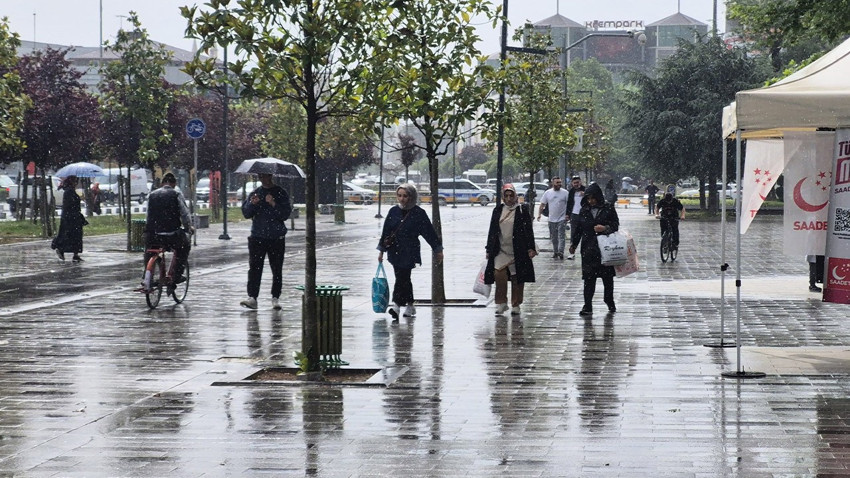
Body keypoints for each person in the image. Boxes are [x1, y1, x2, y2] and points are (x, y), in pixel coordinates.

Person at [378, 183, 444, 321]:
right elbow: (386, 232)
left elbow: (429, 233)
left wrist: (437, 249)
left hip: (410, 250)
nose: (402, 199)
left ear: (411, 197)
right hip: (395, 250)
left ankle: (396, 305)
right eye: (399, 196)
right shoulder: (393, 212)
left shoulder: (418, 213)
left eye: (405, 196)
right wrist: (381, 251)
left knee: (402, 276)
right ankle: (410, 304)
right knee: (402, 277)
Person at [240, 173, 292, 310]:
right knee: (255, 268)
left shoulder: (280, 193)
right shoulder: (255, 194)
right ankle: (252, 297)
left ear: (271, 176)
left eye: (266, 176)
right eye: (261, 177)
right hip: (257, 237)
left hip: (276, 238)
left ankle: (275, 297)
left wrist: (273, 203)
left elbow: (285, 214)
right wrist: (252, 204)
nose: (263, 179)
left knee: (276, 268)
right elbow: (246, 213)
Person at [484, 184, 538, 316]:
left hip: (518, 249)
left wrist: (530, 247)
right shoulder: (498, 210)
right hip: (501, 250)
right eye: (506, 196)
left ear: (515, 196)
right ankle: (501, 303)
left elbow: (528, 230)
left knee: (516, 277)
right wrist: (489, 248)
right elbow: (492, 230)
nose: (509, 198)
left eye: (511, 195)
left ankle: (516, 304)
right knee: (498, 274)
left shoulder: (522, 210)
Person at [568, 183, 620, 316]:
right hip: (589, 249)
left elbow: (615, 225)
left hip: (605, 249)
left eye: (593, 198)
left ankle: (609, 301)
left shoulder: (608, 208)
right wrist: (574, 244)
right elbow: (579, 229)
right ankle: (588, 305)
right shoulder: (584, 210)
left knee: (607, 278)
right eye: (588, 198)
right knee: (588, 278)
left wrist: (605, 228)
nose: (591, 201)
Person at [144, 172, 194, 288]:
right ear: (174, 183)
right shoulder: (176, 194)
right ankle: (176, 275)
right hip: (172, 235)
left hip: (154, 235)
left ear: (162, 183)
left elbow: (148, 216)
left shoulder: (152, 195)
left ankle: (147, 276)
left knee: (149, 251)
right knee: (184, 247)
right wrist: (188, 228)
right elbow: (185, 215)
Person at [51, 175, 86, 262]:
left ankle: (75, 254)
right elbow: (69, 205)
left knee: (76, 236)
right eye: (75, 182)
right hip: (70, 218)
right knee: (68, 235)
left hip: (74, 217)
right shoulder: (68, 191)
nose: (76, 183)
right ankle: (60, 248)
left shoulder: (71, 191)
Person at [537, 176, 569, 259]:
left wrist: (568, 215)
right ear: (553, 183)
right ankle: (555, 252)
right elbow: (542, 204)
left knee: (561, 236)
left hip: (562, 218)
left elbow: (569, 204)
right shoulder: (548, 193)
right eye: (557, 182)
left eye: (560, 182)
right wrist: (539, 214)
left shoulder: (565, 193)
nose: (559, 184)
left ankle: (560, 252)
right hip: (551, 219)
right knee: (554, 237)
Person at [565, 175, 586, 260]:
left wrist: (585, 195)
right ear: (572, 184)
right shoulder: (571, 192)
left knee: (585, 234)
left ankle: (584, 251)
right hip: (574, 214)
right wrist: (567, 214)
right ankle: (572, 252)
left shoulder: (586, 190)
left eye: (578, 182)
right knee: (573, 234)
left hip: (584, 214)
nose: (576, 184)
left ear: (580, 182)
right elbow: (569, 203)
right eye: (574, 183)